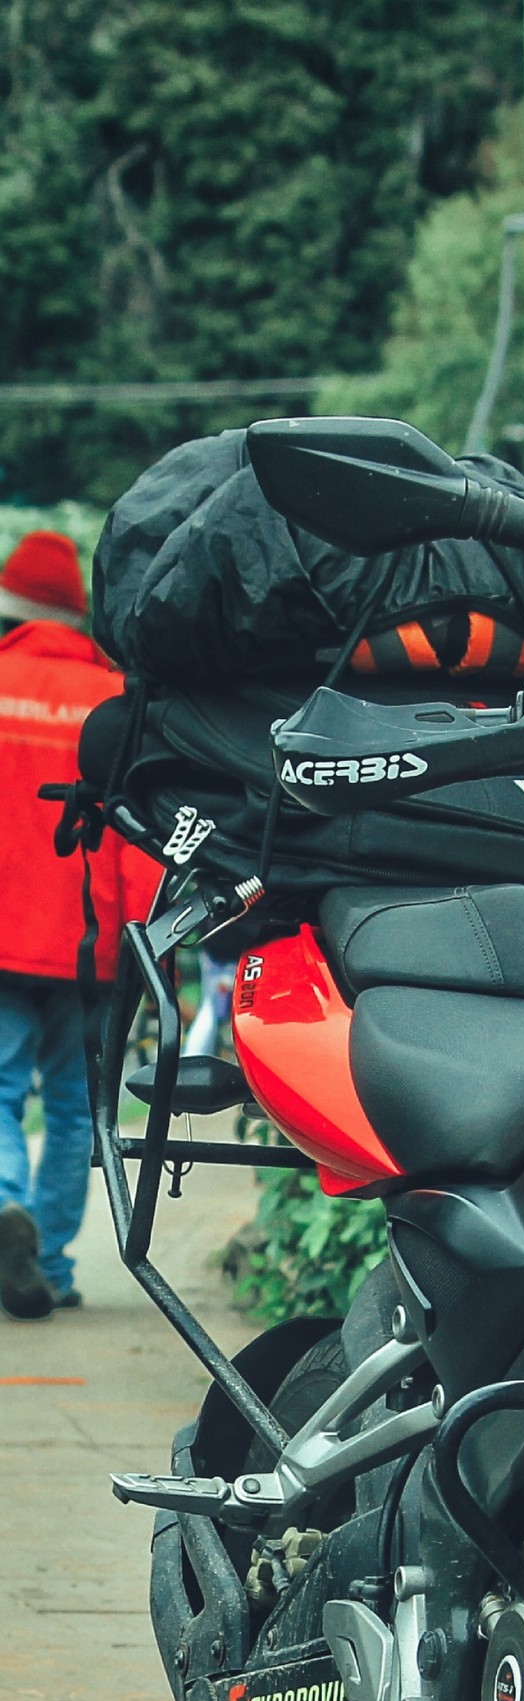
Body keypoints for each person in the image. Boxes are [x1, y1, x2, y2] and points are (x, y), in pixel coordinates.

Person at [0, 530, 158, 1319]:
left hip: (1, 941)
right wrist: (142, 943)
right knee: (72, 1106)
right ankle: (53, 1266)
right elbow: (139, 835)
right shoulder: (111, 700)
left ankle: (5, 1207)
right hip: (86, 944)